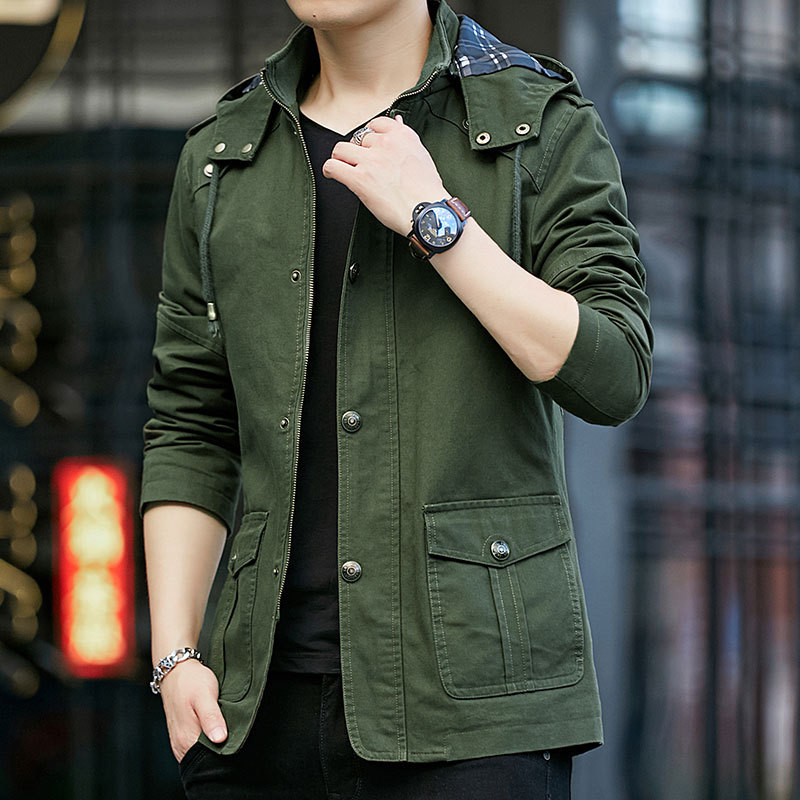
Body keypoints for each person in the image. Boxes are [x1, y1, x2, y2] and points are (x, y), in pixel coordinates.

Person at [140, 0, 654, 797]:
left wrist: (433, 218)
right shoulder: (223, 152)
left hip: (473, 714)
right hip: (254, 714)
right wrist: (175, 657)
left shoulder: (535, 122)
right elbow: (189, 421)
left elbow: (614, 372)